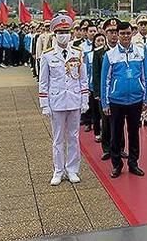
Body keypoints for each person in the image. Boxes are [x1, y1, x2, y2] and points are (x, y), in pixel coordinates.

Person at [39, 14, 88, 185]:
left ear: (71, 33)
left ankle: (72, 169)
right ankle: (58, 171)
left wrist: (85, 100)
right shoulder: (47, 55)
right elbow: (43, 82)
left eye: (66, 31)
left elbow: (83, 79)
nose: (63, 35)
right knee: (58, 138)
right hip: (57, 101)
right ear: (54, 34)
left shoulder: (78, 53)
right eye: (60, 32)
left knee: (74, 136)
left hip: (74, 99)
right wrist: (44, 105)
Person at [101, 21, 147, 178]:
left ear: (132, 34)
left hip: (135, 100)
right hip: (116, 101)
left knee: (134, 133)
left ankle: (133, 163)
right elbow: (105, 80)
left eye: (128, 33)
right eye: (122, 34)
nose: (125, 36)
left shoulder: (141, 52)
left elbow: (145, 77)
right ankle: (116, 165)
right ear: (117, 35)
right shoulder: (110, 55)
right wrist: (105, 102)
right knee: (115, 134)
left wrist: (146, 99)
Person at [93, 18, 121, 160]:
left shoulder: (123, 51)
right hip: (104, 94)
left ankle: (120, 148)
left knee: (119, 122)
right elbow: (96, 74)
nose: (114, 35)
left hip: (119, 93)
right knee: (106, 122)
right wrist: (98, 93)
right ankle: (107, 148)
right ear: (104, 33)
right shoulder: (99, 53)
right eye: (110, 32)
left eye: (116, 32)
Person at [86, 32, 106, 142]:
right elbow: (88, 72)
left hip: (105, 87)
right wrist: (88, 87)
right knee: (95, 111)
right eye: (98, 41)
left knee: (104, 113)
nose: (100, 43)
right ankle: (97, 132)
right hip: (93, 87)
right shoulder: (90, 55)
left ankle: (105, 132)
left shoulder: (107, 53)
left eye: (102, 40)